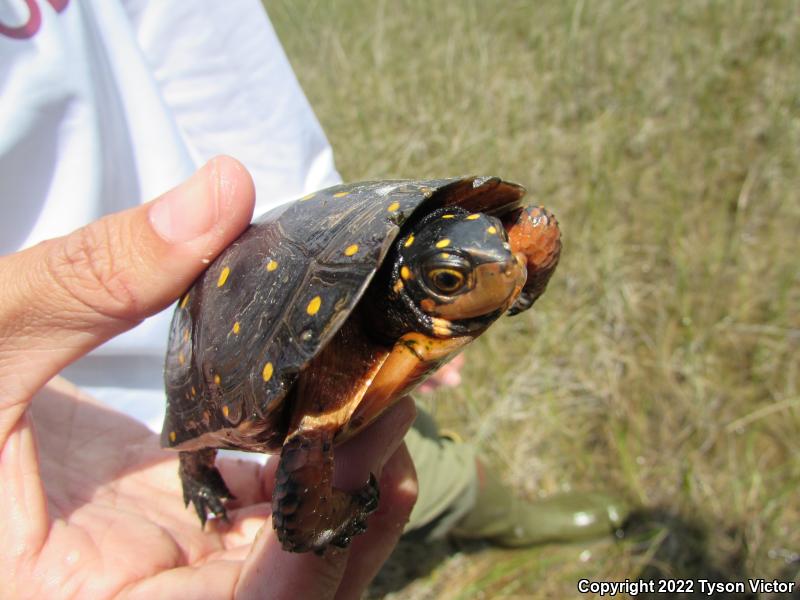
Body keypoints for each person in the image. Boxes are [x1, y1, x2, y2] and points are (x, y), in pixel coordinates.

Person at [1, 0, 625, 595]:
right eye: (449, 281)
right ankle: (203, 470)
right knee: (376, 479)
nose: (507, 261)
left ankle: (503, 517)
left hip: (288, 222)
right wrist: (306, 516)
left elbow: (222, 63)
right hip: (86, 425)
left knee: (423, 464)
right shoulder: (332, 381)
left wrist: (505, 270)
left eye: (500, 252)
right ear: (412, 293)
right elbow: (307, 448)